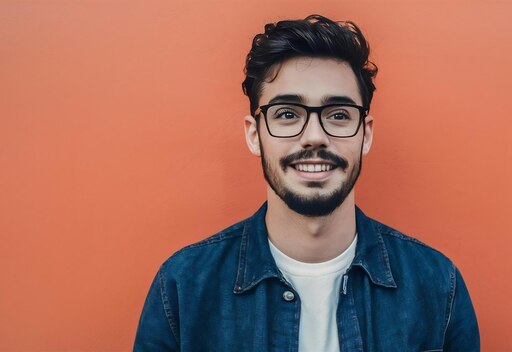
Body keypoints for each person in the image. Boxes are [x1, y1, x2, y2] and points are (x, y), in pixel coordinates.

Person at [134, 14, 479, 352]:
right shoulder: (182, 289)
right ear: (255, 136)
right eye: (287, 114)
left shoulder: (437, 285)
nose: (314, 137)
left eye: (339, 115)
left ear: (365, 134)